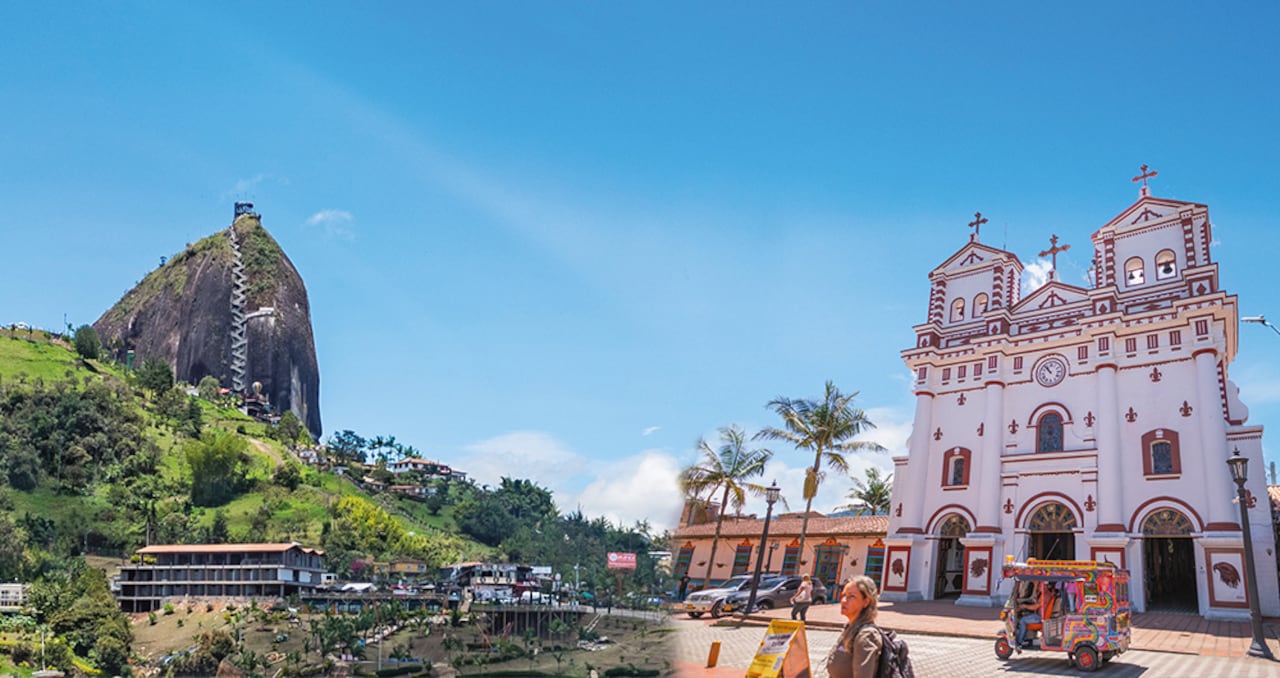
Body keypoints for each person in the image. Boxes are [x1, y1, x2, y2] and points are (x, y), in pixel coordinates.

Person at [825, 575, 882, 678]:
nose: (843, 600)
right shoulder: (850, 628)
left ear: (866, 602)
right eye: (843, 595)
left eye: (851, 596)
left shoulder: (865, 636)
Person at [1014, 581, 1041, 652]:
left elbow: (1036, 607)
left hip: (1039, 618)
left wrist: (1024, 606)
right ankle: (1026, 639)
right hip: (1039, 616)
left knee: (1023, 620)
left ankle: (1019, 642)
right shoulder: (1042, 593)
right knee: (1025, 617)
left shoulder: (1043, 595)